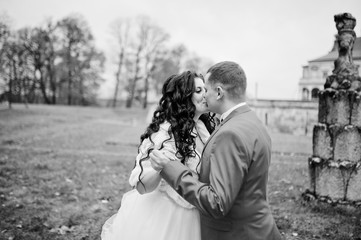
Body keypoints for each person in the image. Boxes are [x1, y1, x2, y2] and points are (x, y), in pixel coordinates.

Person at [150, 61, 282, 240]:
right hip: (260, 228)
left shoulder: (230, 134)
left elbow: (217, 203)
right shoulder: (254, 122)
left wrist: (171, 168)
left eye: (206, 89)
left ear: (219, 92)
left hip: (237, 234)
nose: (204, 95)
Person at [101, 71, 216, 240]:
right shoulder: (164, 133)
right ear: (183, 97)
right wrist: (158, 168)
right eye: (198, 91)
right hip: (167, 216)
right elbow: (141, 188)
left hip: (198, 209)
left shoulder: (203, 128)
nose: (205, 94)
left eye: (205, 89)